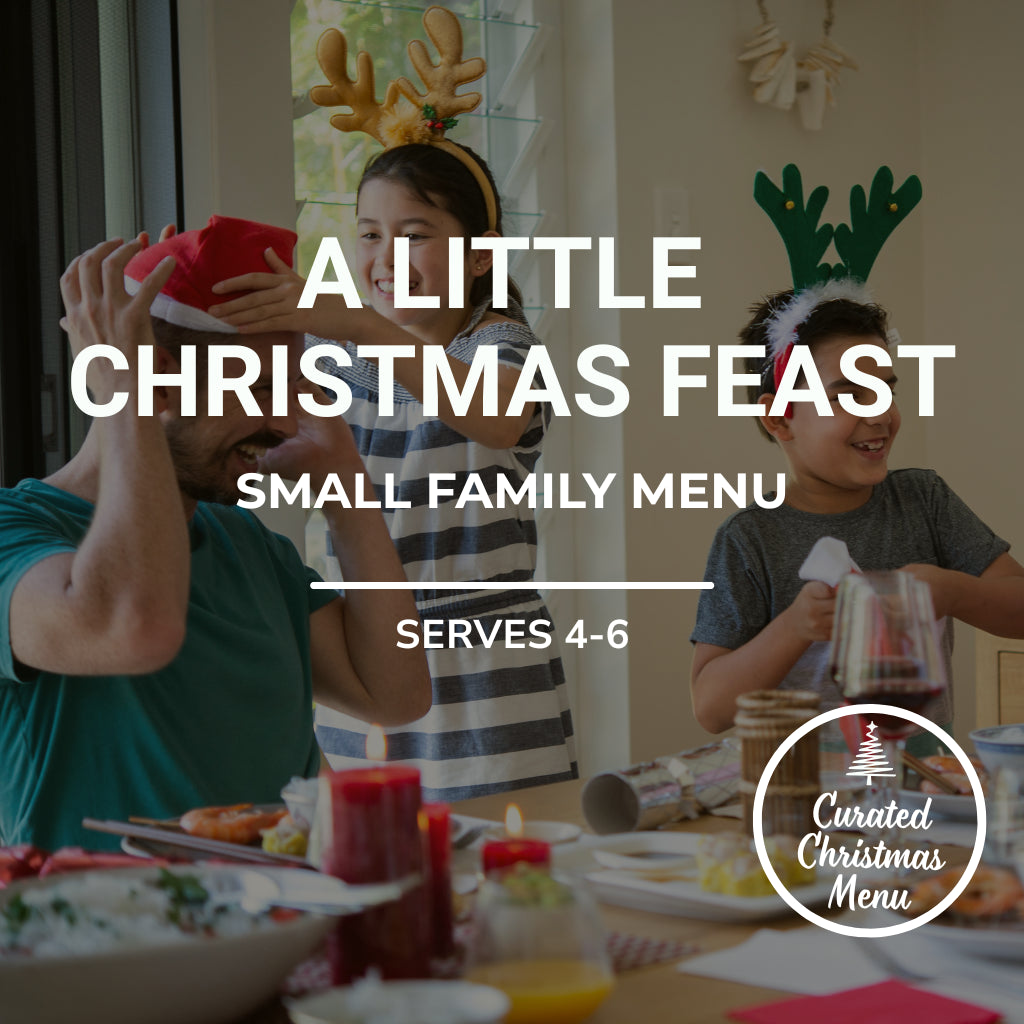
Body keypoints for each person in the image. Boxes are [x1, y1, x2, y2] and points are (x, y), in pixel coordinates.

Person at [0, 217, 431, 849]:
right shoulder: (17, 532)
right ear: (161, 376)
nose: (288, 421)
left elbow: (394, 695)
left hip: (280, 933)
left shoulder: (250, 547)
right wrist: (126, 394)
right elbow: (133, 627)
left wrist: (347, 490)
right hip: (116, 937)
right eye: (260, 388)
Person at [209, 143, 577, 802]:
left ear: (483, 254)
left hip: (489, 680)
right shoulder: (338, 355)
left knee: (498, 880)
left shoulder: (504, 346)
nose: (385, 259)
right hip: (366, 658)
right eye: (370, 235)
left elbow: (493, 414)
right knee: (367, 869)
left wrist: (357, 323)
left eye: (415, 236)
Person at [690, 290, 1024, 752]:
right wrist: (796, 627)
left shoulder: (924, 501)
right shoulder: (750, 538)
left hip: (921, 789)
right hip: (803, 797)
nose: (881, 413)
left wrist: (950, 591)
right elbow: (711, 708)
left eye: (886, 388)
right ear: (780, 419)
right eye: (848, 393)